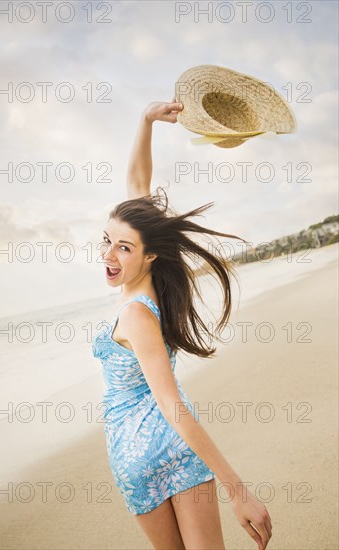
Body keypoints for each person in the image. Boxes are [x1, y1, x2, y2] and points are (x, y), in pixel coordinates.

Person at [93, 100, 273, 550]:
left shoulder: (136, 311)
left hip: (137, 454)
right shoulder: (148, 290)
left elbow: (170, 404)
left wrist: (237, 488)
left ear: (149, 254)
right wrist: (145, 120)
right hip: (165, 449)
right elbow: (137, 183)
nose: (108, 256)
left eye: (123, 249)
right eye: (106, 241)